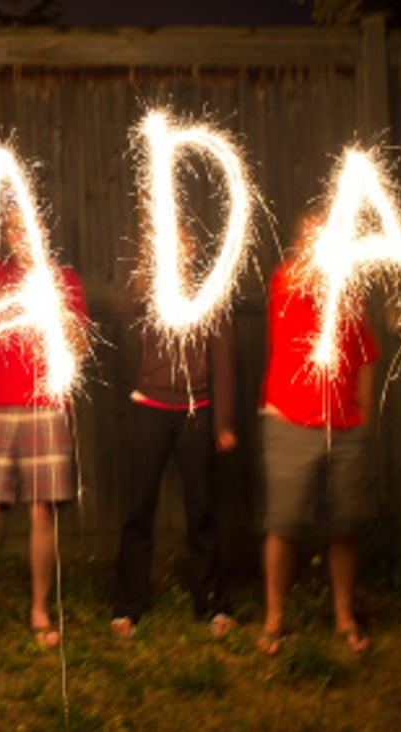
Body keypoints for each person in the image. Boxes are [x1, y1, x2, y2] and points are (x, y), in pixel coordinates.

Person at [0, 206, 89, 652]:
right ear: (6, 236)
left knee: (41, 509)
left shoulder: (64, 280)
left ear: (43, 228)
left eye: (28, 225)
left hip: (45, 406)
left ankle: (39, 610)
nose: (21, 233)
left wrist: (59, 315)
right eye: (12, 227)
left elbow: (81, 349)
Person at [257, 214, 378, 657]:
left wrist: (363, 414)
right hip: (290, 420)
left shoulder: (352, 293)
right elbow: (306, 287)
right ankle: (274, 620)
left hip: (346, 426)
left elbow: (366, 353)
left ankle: (344, 617)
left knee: (344, 526)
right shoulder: (287, 279)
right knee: (283, 524)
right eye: (314, 235)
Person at [111, 246, 238, 640]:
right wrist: (144, 273)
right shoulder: (149, 288)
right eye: (172, 243)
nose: (179, 252)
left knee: (201, 510)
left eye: (185, 245)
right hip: (149, 406)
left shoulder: (209, 293)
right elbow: (121, 312)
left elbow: (223, 358)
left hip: (195, 410)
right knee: (139, 510)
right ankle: (128, 607)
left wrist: (223, 423)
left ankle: (214, 603)